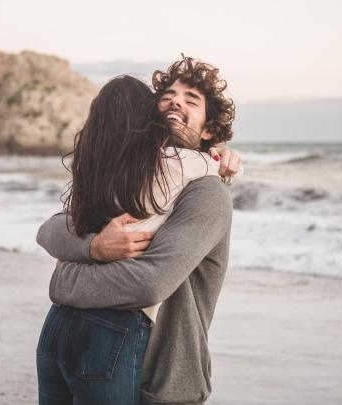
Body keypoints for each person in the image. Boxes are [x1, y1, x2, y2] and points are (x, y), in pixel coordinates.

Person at [37, 56, 238, 404]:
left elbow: (148, 283)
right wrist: (95, 246)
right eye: (168, 96)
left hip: (163, 376)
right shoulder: (132, 177)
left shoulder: (206, 191)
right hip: (106, 350)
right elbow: (52, 229)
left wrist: (63, 280)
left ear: (208, 130)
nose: (176, 101)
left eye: (191, 100)